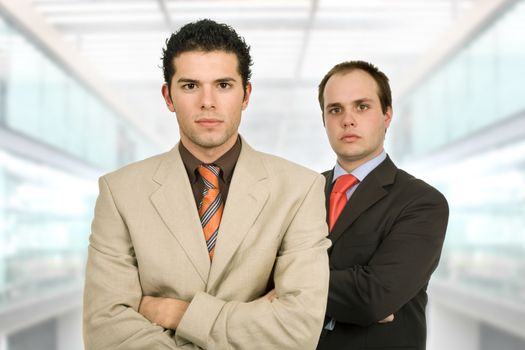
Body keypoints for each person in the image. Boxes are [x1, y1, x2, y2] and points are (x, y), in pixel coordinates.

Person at [83, 19, 330, 350]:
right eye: (190, 86)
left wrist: (177, 314)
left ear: (246, 95)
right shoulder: (120, 192)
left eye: (224, 85)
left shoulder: (300, 190)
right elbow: (105, 328)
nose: (208, 102)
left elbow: (298, 330)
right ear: (168, 96)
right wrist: (251, 321)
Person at [315, 60, 448, 350]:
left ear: (387, 115)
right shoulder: (300, 192)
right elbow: (252, 272)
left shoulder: (422, 202)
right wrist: (350, 291)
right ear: (324, 119)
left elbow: (373, 298)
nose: (347, 120)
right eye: (335, 109)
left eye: (362, 107)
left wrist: (282, 284)